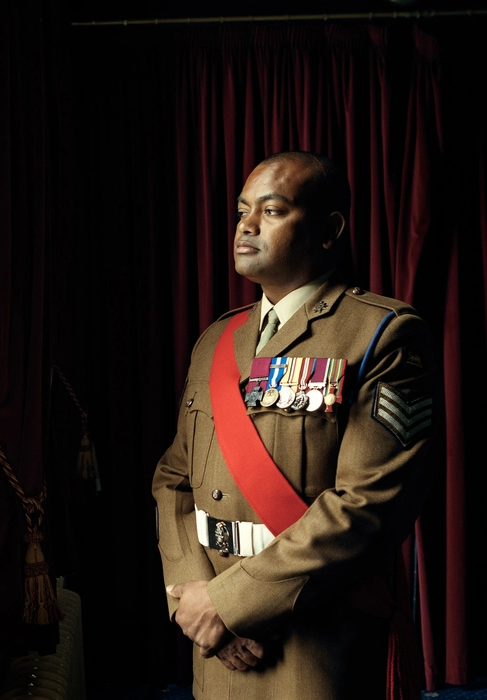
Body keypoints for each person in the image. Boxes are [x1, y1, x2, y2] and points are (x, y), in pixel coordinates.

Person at [152, 151, 438, 700]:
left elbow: (369, 505)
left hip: (316, 640)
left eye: (273, 209)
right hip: (214, 642)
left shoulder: (383, 335)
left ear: (330, 229)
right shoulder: (216, 340)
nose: (247, 225)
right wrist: (193, 599)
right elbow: (174, 480)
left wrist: (232, 604)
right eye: (241, 211)